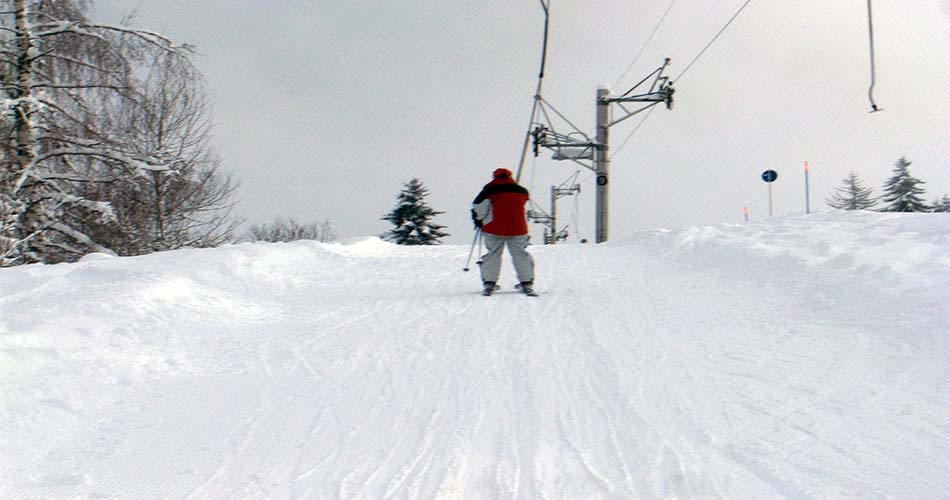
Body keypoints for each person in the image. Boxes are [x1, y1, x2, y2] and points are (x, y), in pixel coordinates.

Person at [471, 168, 535, 296]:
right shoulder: (522, 191)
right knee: (520, 254)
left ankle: (490, 283)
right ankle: (526, 282)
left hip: (494, 228)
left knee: (493, 254)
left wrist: (478, 220)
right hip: (518, 229)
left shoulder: (489, 190)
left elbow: (479, 208)